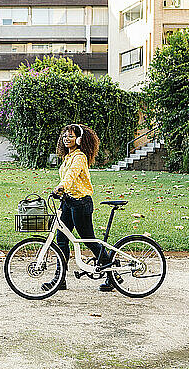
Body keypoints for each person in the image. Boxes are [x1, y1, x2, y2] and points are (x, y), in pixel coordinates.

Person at [44, 124, 113, 292]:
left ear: (79, 139)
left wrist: (61, 186)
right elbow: (68, 177)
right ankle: (60, 279)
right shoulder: (68, 157)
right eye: (65, 136)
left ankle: (112, 275)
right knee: (61, 240)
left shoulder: (80, 157)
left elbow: (71, 175)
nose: (67, 139)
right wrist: (62, 191)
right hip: (68, 202)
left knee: (88, 239)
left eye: (71, 136)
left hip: (81, 203)